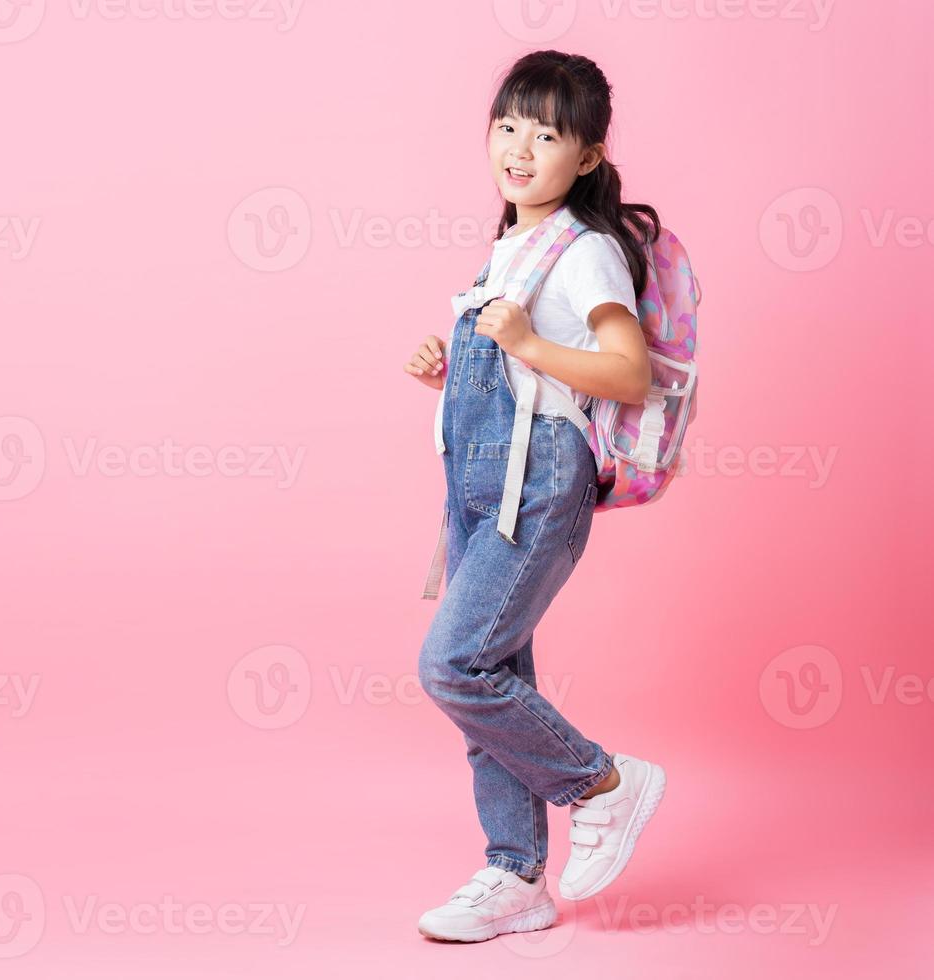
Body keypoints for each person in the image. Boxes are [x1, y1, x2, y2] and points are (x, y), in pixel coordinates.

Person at [402, 49, 668, 943]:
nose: (519, 147)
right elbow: (517, 379)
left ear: (586, 156)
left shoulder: (585, 250)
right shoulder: (508, 248)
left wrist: (521, 342)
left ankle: (602, 780)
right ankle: (515, 877)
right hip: (478, 482)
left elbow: (626, 373)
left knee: (455, 666)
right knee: (496, 675)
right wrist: (451, 370)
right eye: (507, 125)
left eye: (547, 133)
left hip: (538, 483)